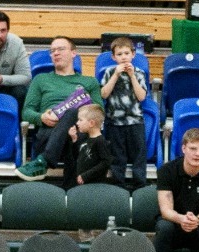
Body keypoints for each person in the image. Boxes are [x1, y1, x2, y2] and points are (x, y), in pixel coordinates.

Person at [15, 37, 102, 182]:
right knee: (73, 131)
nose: (55, 53)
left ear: (74, 53)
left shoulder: (90, 82)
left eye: (61, 49)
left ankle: (44, 161)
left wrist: (77, 117)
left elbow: (99, 112)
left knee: (73, 117)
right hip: (48, 134)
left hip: (79, 134)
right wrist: (41, 117)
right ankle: (72, 192)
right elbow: (27, 111)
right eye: (52, 51)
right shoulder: (40, 80)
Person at [99, 36, 148, 189]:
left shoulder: (139, 73)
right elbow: (104, 94)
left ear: (133, 54)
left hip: (135, 121)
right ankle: (117, 185)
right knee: (116, 156)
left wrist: (132, 76)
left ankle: (140, 184)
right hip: (114, 121)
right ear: (113, 57)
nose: (123, 57)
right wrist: (116, 75)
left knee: (139, 155)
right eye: (119, 54)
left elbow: (141, 96)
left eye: (126, 53)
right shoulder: (108, 72)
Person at [69, 104, 110, 186]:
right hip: (83, 184)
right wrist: (74, 140)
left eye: (80, 120)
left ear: (91, 123)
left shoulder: (100, 141)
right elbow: (77, 157)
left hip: (95, 186)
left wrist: (86, 176)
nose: (77, 123)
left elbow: (106, 162)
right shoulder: (85, 140)